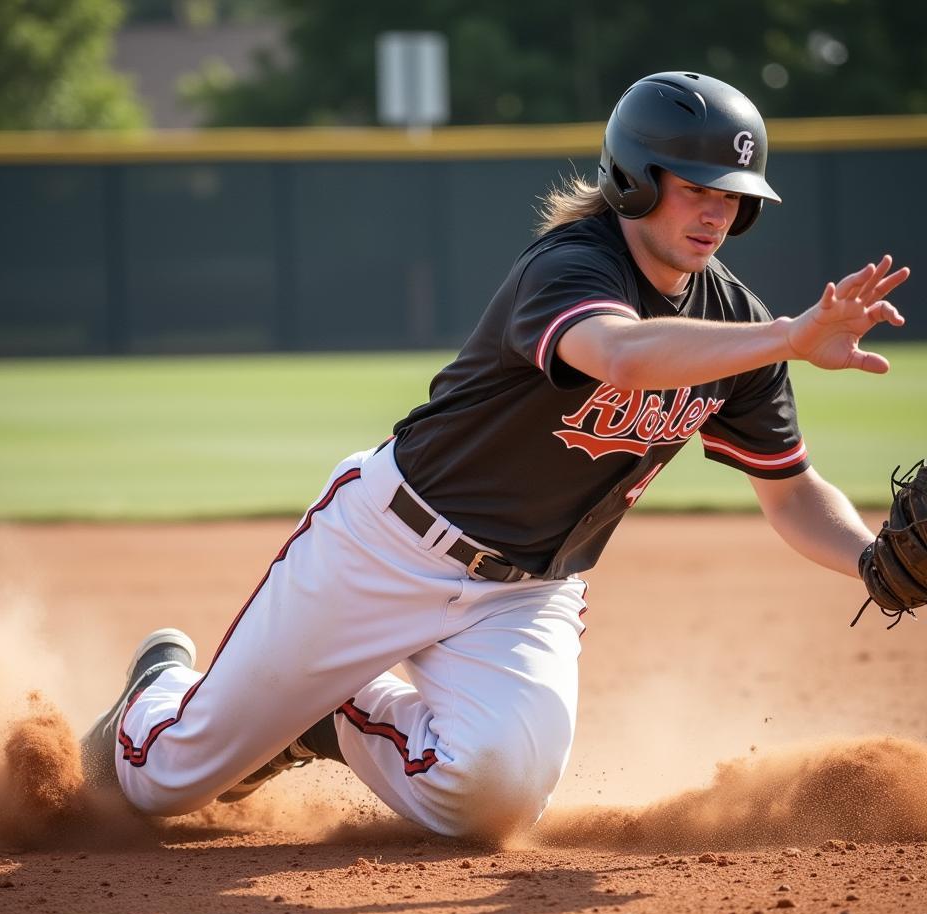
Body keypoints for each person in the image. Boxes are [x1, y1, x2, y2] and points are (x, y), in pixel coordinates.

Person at [81, 71, 909, 840]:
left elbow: (792, 492)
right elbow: (620, 356)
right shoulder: (573, 265)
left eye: (734, 197)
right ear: (635, 181)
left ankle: (327, 717)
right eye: (695, 189)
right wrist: (792, 337)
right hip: (390, 544)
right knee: (158, 785)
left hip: (527, 593)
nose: (717, 214)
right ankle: (157, 690)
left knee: (493, 799)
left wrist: (870, 561)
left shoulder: (740, 330)